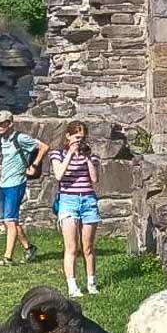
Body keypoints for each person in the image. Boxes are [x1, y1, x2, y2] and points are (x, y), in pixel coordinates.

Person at [0, 110, 48, 269]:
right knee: (9, 221)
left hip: (16, 183)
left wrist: (34, 165)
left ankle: (7, 258)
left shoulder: (21, 138)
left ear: (10, 123)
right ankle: (29, 248)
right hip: (3, 183)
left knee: (10, 220)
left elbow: (43, 147)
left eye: (1, 123)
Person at [49, 121, 102, 297]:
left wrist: (86, 158)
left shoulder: (91, 156)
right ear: (68, 136)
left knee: (88, 247)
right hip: (68, 201)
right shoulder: (58, 154)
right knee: (71, 247)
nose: (80, 141)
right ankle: (72, 286)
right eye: (77, 138)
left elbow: (94, 179)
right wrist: (70, 154)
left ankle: (91, 282)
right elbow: (59, 175)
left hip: (88, 201)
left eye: (83, 138)